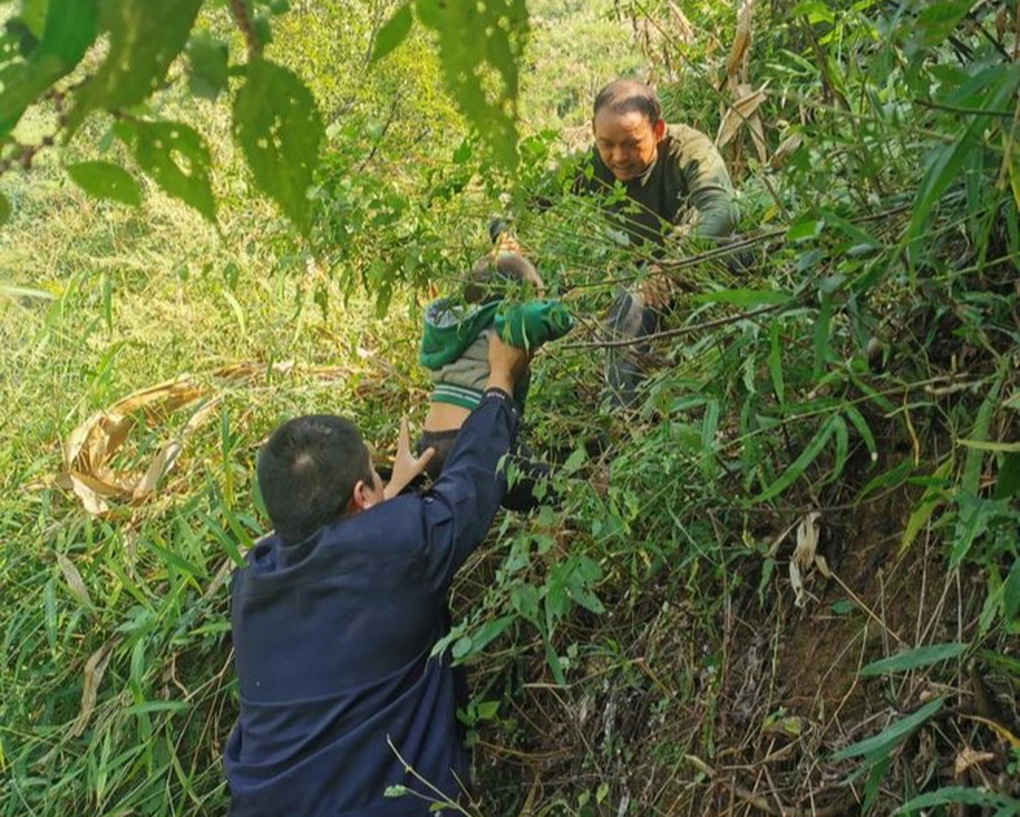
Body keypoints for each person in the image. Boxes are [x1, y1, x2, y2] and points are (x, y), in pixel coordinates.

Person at [223, 333, 531, 816]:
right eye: (376, 474)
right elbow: (470, 485)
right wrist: (499, 380)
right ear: (362, 495)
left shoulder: (249, 585)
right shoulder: (399, 550)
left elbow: (340, 552)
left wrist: (389, 495)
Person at [576, 78, 739, 403]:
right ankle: (621, 415)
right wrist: (504, 233)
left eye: (632, 143)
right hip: (644, 283)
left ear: (658, 129)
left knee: (740, 249)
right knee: (629, 303)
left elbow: (724, 209)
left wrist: (674, 264)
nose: (618, 156)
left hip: (699, 261)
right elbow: (531, 199)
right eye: (606, 143)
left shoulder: (688, 148)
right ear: (594, 130)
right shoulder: (591, 165)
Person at [415, 251, 573, 509]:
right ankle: (575, 497)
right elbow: (549, 318)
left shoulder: (459, 329)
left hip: (430, 442)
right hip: (468, 438)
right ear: (518, 300)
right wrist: (566, 313)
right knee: (544, 486)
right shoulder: (503, 321)